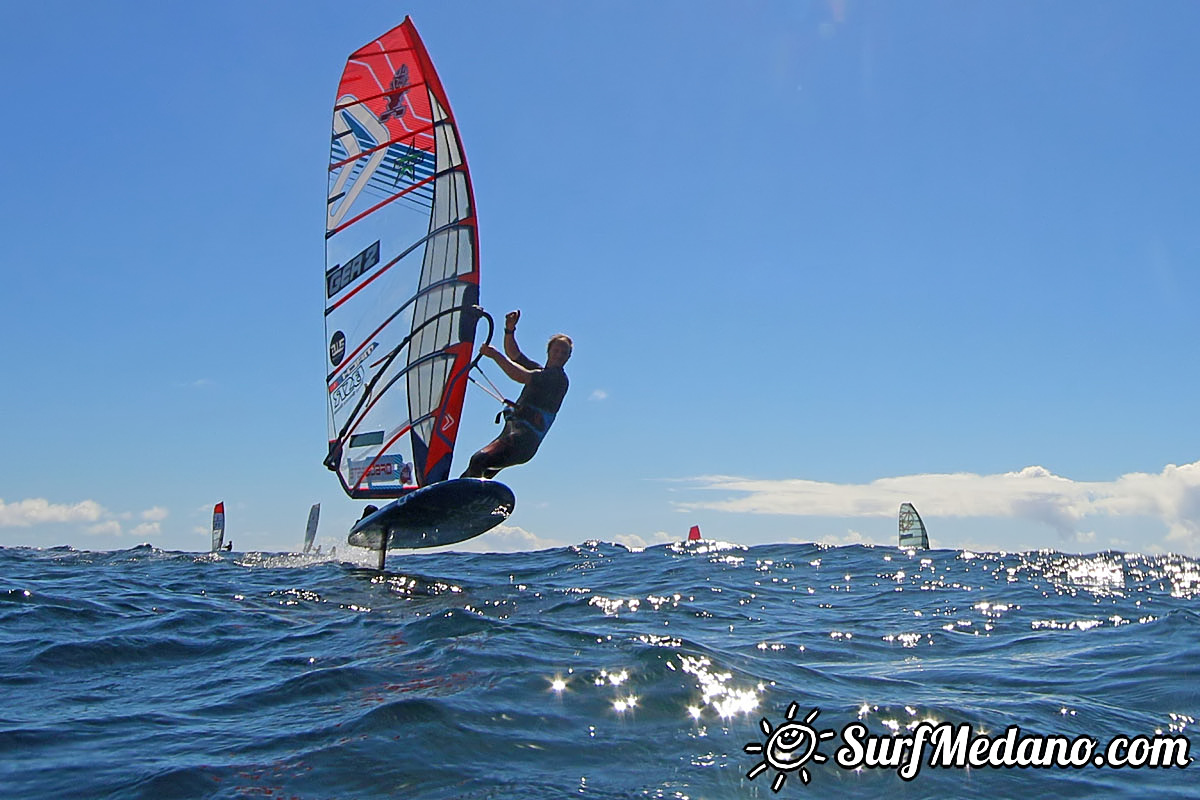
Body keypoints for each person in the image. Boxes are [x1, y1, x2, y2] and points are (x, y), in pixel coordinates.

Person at [462, 310, 571, 479]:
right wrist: (509, 329)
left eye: (564, 353)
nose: (559, 355)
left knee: (479, 461)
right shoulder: (541, 371)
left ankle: (470, 503)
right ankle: (454, 501)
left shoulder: (557, 379)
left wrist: (494, 355)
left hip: (523, 442)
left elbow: (520, 376)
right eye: (556, 350)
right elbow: (514, 355)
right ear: (549, 351)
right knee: (476, 470)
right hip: (511, 434)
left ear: (569, 357)